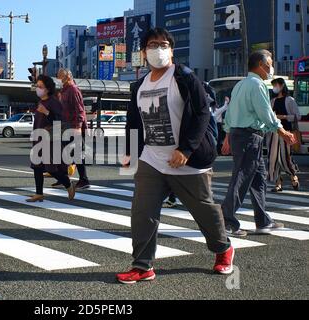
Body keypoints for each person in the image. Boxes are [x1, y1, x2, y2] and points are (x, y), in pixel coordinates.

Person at [117, 28, 234, 285]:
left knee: (203, 210)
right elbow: (134, 123)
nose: (157, 49)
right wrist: (130, 154)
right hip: (152, 158)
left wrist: (186, 149)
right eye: (152, 44)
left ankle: (223, 248)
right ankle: (142, 266)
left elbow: (203, 113)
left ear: (171, 50)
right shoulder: (139, 85)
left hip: (185, 161)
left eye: (163, 44)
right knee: (142, 212)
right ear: (143, 52)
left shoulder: (183, 77)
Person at [221, 50, 296, 237]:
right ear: (261, 65)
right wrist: (282, 131)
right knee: (241, 178)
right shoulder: (257, 85)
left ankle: (263, 221)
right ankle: (225, 221)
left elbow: (230, 113)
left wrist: (227, 136)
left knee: (258, 179)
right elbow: (265, 113)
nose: (271, 67)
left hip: (242, 135)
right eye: (270, 63)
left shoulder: (240, 85)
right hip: (249, 137)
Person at [27, 75, 76, 202]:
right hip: (39, 138)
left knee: (51, 169)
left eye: (40, 86)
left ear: (48, 89)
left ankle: (68, 184)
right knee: (37, 167)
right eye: (37, 86)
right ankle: (39, 193)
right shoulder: (41, 102)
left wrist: (47, 112)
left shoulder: (54, 102)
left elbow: (59, 121)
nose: (38, 88)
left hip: (50, 140)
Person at [53, 68, 91, 190]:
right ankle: (64, 179)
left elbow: (79, 110)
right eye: (58, 76)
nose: (59, 79)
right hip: (65, 126)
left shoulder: (73, 90)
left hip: (73, 127)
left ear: (68, 76)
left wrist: (78, 127)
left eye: (61, 76)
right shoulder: (64, 90)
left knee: (76, 154)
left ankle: (84, 180)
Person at [267, 78, 301, 192]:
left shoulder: (289, 100)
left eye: (275, 85)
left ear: (281, 85)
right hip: (274, 133)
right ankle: (278, 183)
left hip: (286, 132)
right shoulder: (272, 101)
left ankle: (293, 177)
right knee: (273, 159)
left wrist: (284, 117)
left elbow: (297, 116)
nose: (274, 87)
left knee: (285, 157)